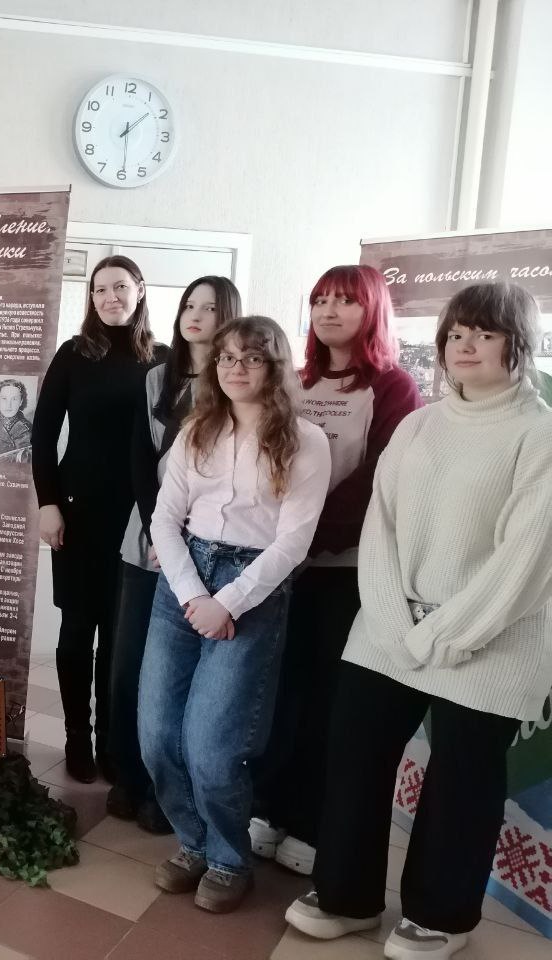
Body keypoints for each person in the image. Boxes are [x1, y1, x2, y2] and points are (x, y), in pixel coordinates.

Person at [286, 283, 552, 959]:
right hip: (390, 625)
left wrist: (441, 634)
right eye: (456, 334)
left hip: (491, 637)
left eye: (485, 334)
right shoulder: (419, 425)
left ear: (520, 343)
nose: (465, 346)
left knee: (462, 774)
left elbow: (526, 561)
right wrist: (392, 618)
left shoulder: (539, 433)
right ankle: (345, 896)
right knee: (355, 749)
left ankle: (441, 915)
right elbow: (381, 528)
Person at [139, 316, 330, 913]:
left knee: (212, 746)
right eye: (225, 358)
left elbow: (292, 544)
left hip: (251, 591)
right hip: (182, 580)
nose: (235, 368)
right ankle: (193, 843)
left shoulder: (306, 440)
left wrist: (226, 602)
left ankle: (227, 858)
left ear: (275, 367)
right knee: (156, 737)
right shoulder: (197, 429)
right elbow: (164, 519)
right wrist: (193, 595)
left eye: (250, 358)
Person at [250, 265, 422, 877]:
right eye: (320, 299)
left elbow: (379, 483)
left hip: (344, 569)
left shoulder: (394, 388)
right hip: (282, 563)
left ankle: (310, 822)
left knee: (328, 698)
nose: (328, 311)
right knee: (280, 691)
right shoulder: (296, 382)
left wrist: (304, 539)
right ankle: (270, 807)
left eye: (345, 301)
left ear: (371, 310)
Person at [109, 275, 241, 832]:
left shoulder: (235, 379)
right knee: (128, 665)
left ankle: (170, 794)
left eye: (209, 308)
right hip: (148, 540)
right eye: (189, 305)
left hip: (207, 548)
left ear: (227, 316)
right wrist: (157, 529)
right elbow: (140, 458)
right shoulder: (157, 377)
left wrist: (184, 538)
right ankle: (128, 777)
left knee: (179, 678)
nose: (195, 315)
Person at [31, 255, 165, 783]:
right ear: (91, 297)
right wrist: (48, 503)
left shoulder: (162, 359)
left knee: (119, 635)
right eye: (100, 289)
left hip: (137, 516)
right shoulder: (74, 354)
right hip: (78, 510)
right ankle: (75, 737)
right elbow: (43, 435)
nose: (110, 297)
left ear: (140, 290)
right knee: (76, 631)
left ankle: (111, 741)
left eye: (120, 287)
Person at [0, 378, 33, 462]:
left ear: (21, 402)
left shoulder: (30, 430)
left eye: (14, 399)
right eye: (4, 398)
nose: (9, 405)